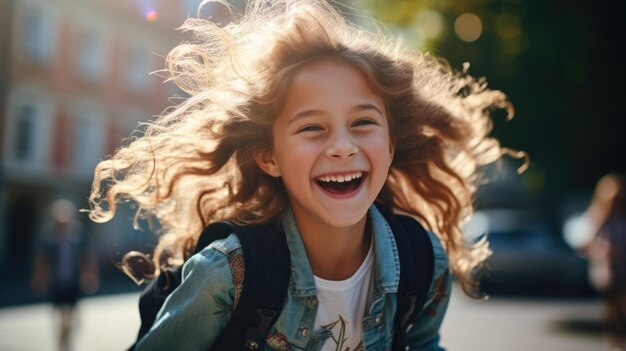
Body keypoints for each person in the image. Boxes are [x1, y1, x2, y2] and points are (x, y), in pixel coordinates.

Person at [88, 1, 525, 349]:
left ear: (391, 144)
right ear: (269, 157)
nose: (341, 145)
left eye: (363, 123)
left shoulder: (423, 261)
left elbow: (425, 344)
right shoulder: (226, 276)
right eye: (312, 127)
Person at [31, 199, 99, 351]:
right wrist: (39, 278)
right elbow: (42, 259)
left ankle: (66, 342)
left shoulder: (78, 236)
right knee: (62, 316)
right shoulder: (49, 237)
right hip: (57, 282)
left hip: (73, 281)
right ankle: (63, 344)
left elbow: (87, 257)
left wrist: (90, 275)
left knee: (72, 317)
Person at [582, 174, 626, 351]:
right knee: (614, 308)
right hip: (610, 271)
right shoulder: (600, 218)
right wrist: (603, 252)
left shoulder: (622, 218)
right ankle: (616, 342)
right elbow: (587, 243)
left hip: (623, 267)